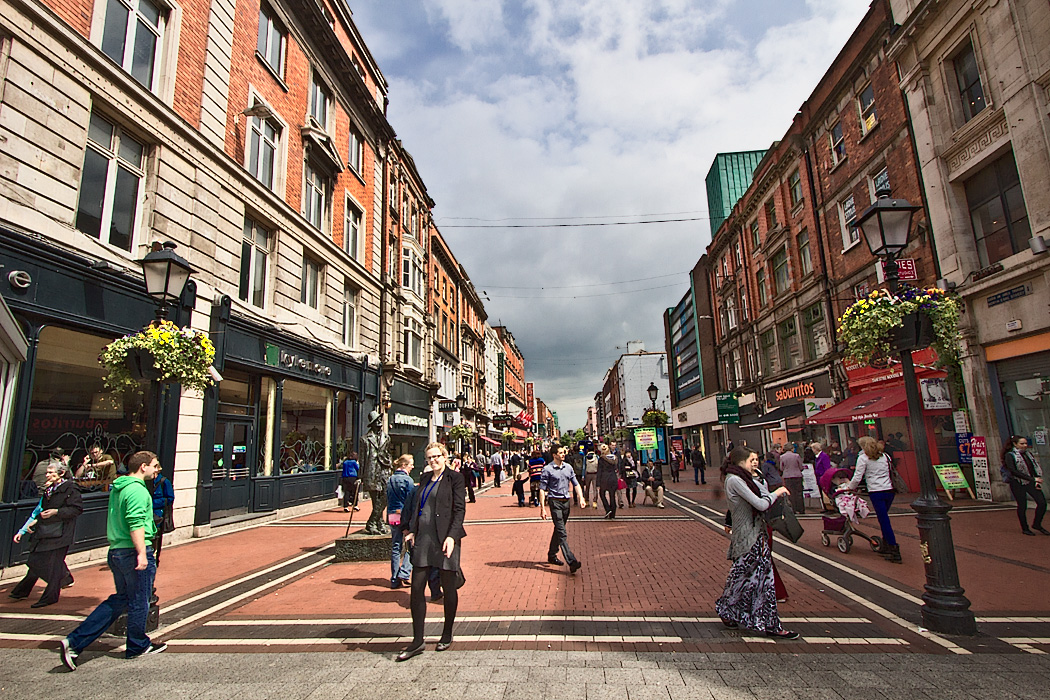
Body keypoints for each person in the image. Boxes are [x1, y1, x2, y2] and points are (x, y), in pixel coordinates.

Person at [60, 451, 166, 670]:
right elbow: (135, 522)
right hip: (132, 550)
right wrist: (141, 553)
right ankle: (137, 645)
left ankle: (75, 642)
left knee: (121, 599)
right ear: (143, 466)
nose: (158, 470)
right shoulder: (137, 490)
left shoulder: (119, 488)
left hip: (117, 550)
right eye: (155, 465)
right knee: (139, 600)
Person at [715, 446, 797, 640]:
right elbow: (760, 503)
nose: (755, 462)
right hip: (747, 537)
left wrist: (758, 477)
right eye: (751, 460)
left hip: (756, 535)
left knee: (759, 579)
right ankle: (732, 610)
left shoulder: (745, 478)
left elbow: (761, 493)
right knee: (745, 577)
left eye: (756, 459)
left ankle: (762, 621)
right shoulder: (735, 480)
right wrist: (777, 493)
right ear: (741, 461)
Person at [397, 442, 466, 661]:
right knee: (416, 588)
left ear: (445, 457)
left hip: (445, 539)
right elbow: (418, 507)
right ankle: (417, 640)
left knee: (448, 586)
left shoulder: (455, 478)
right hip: (424, 539)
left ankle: (447, 634)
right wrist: (411, 530)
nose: (433, 460)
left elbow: (459, 510)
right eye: (429, 458)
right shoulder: (425, 479)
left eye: (436, 456)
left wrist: (452, 537)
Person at [10, 463, 81, 607]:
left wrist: (57, 512)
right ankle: (24, 590)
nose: (47, 475)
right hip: (46, 531)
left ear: (61, 473)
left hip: (61, 532)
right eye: (47, 472)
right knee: (35, 560)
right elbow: (42, 510)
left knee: (54, 566)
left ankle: (49, 596)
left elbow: (76, 509)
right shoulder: (49, 489)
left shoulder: (71, 489)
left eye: (50, 472)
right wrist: (33, 523)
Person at [847, 437, 900, 560]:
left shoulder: (863, 459)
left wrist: (850, 487)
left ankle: (893, 547)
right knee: (884, 518)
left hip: (876, 491)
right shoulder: (885, 456)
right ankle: (886, 543)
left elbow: (857, 476)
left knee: (884, 520)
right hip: (889, 490)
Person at [538, 445, 586, 572]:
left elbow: (576, 484)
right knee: (562, 533)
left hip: (566, 502)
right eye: (560, 453)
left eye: (563, 452)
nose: (563, 454)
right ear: (554, 455)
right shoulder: (547, 469)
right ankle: (571, 561)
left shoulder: (568, 467)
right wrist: (542, 508)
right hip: (554, 502)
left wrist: (581, 498)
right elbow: (542, 489)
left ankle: (552, 555)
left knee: (559, 530)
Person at [1001, 435, 1047, 536]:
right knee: (1022, 505)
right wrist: (1032, 479)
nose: (1024, 445)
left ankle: (1037, 524)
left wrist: (1036, 480)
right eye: (1022, 444)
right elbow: (1013, 471)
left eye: (1026, 443)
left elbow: (1033, 468)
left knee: (1042, 503)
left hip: (1030, 481)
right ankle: (1025, 528)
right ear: (1015, 444)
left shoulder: (1028, 454)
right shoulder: (1010, 455)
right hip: (1017, 482)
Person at [386, 454, 417, 588]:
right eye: (411, 464)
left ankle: (394, 578)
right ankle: (404, 573)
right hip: (404, 516)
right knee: (411, 546)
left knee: (396, 547)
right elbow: (411, 501)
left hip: (392, 515)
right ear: (404, 465)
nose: (413, 467)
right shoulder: (408, 480)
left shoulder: (390, 479)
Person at [149, 462, 175, 565]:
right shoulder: (147, 482)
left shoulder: (164, 482)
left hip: (158, 514)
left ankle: (155, 558)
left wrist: (153, 503)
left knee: (156, 536)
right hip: (148, 514)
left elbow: (170, 498)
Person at [778, 444, 805, 514]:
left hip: (787, 476)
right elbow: (801, 467)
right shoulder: (796, 456)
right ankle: (801, 509)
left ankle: (793, 509)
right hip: (797, 475)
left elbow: (781, 468)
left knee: (790, 493)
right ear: (791, 449)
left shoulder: (782, 457)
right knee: (799, 493)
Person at [596, 444, 620, 519]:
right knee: (612, 495)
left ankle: (608, 509)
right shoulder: (615, 458)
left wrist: (598, 483)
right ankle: (613, 513)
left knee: (602, 493)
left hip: (604, 478)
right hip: (613, 477)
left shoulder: (602, 459)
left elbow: (599, 471)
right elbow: (618, 468)